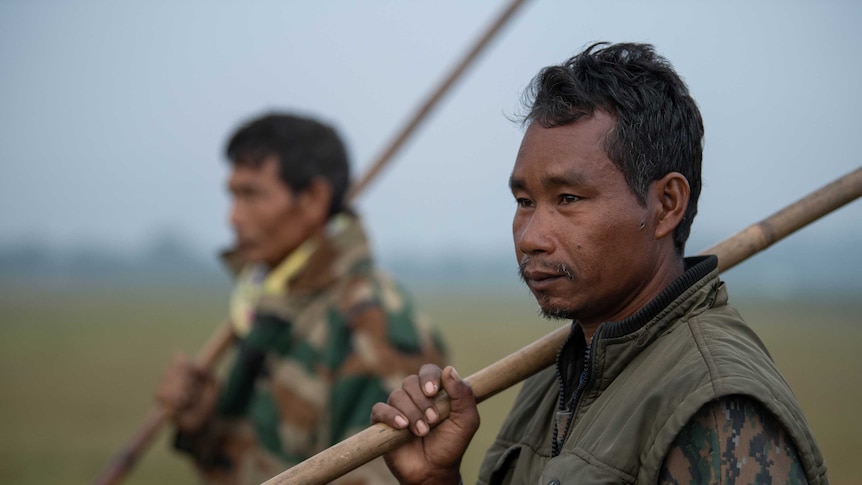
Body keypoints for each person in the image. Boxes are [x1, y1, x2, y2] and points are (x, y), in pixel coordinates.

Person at [371, 42, 829, 484]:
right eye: (525, 200)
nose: (531, 237)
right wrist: (435, 480)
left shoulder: (716, 408)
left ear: (666, 205)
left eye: (568, 199)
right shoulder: (556, 375)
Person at [157, 112, 448, 484]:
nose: (233, 217)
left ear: (313, 198)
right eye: (232, 195)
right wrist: (206, 428)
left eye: (251, 194)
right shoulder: (274, 307)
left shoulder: (374, 327)